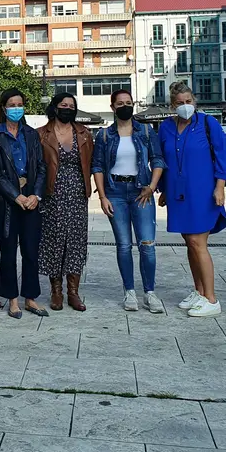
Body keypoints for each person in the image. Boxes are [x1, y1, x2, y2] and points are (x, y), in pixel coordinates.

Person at [158, 82, 226, 318]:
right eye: (180, 103)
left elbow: (223, 155)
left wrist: (220, 187)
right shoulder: (166, 127)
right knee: (189, 242)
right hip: (177, 192)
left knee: (198, 242)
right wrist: (163, 189)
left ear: (195, 101)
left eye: (188, 101)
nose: (185, 106)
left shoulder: (208, 123)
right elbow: (162, 160)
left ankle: (211, 298)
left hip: (203, 191)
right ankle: (199, 291)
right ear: (172, 105)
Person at [92, 89, 166, 313]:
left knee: (147, 244)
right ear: (113, 107)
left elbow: (158, 159)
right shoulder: (104, 135)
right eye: (120, 103)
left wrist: (152, 186)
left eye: (128, 102)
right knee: (124, 245)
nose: (125, 106)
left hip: (141, 191)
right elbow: (97, 166)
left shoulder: (145, 131)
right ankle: (129, 291)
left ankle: (150, 292)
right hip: (115, 192)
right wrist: (102, 196)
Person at [0, 88, 47, 319]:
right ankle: (12, 299)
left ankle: (30, 297)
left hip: (30, 199)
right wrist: (15, 196)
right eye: (12, 105)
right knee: (8, 251)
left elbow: (41, 166)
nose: (16, 109)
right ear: (4, 107)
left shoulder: (31, 134)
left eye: (20, 104)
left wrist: (36, 195)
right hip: (6, 200)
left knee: (31, 250)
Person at [38, 93, 94, 312]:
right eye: (63, 105)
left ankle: (73, 292)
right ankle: (56, 291)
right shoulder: (41, 134)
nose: (68, 109)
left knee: (76, 241)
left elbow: (91, 162)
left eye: (72, 106)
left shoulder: (84, 133)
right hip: (52, 194)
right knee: (54, 241)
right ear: (55, 107)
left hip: (78, 194)